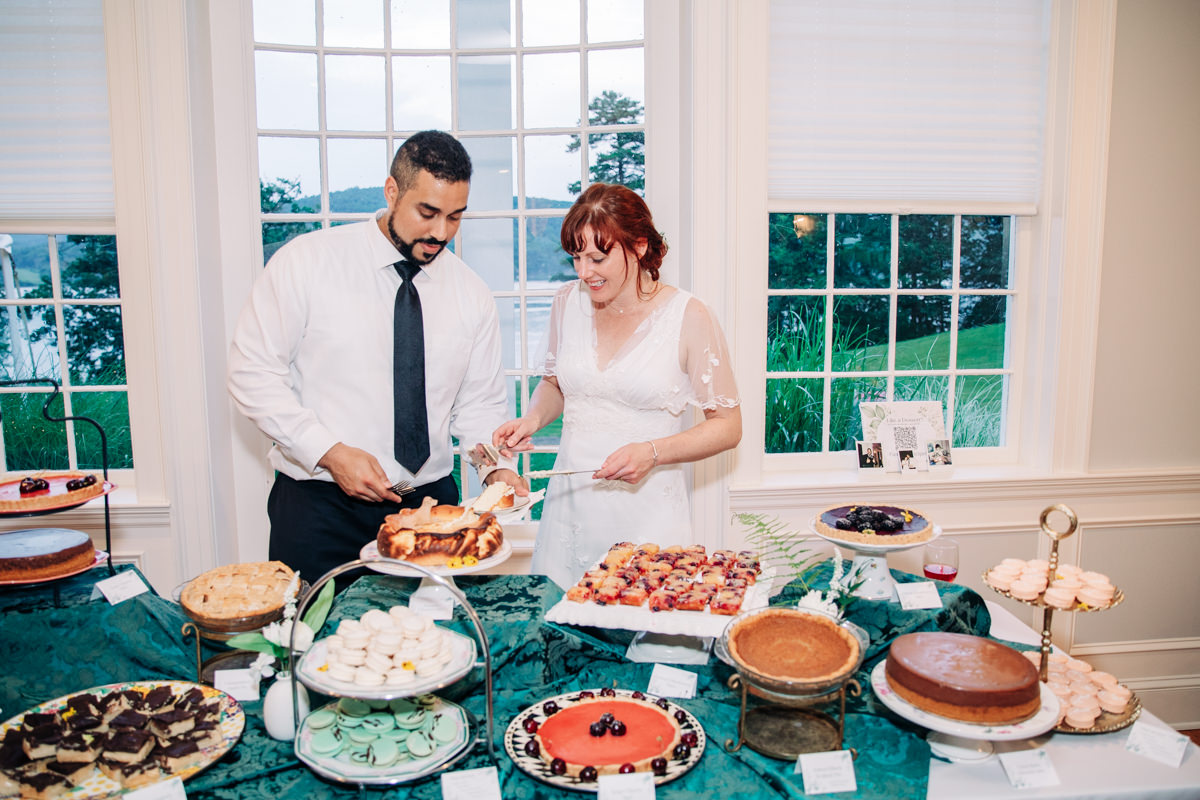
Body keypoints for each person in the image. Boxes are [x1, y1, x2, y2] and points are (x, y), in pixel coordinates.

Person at [228, 131, 522, 582]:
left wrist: (496, 469)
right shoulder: (305, 264)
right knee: (314, 645)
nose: (441, 232)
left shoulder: (472, 294)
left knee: (436, 645)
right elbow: (253, 375)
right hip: (319, 509)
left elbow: (479, 406)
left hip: (432, 513)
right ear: (392, 192)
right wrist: (327, 451)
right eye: (428, 212)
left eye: (455, 217)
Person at [491, 183, 741, 589]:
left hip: (648, 512)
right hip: (569, 510)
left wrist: (654, 452)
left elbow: (728, 426)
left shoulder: (689, 316)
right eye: (576, 257)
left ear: (639, 246)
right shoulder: (566, 302)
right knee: (565, 636)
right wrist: (533, 418)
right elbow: (555, 385)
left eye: (597, 257)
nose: (583, 272)